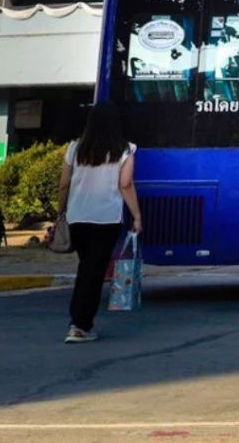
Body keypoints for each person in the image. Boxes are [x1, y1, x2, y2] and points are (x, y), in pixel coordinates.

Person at [55, 106, 143, 343]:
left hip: (77, 217)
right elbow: (126, 184)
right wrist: (137, 216)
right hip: (106, 219)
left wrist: (61, 211)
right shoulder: (125, 150)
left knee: (86, 268)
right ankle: (80, 325)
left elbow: (64, 184)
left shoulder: (75, 149)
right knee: (93, 273)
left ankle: (78, 322)